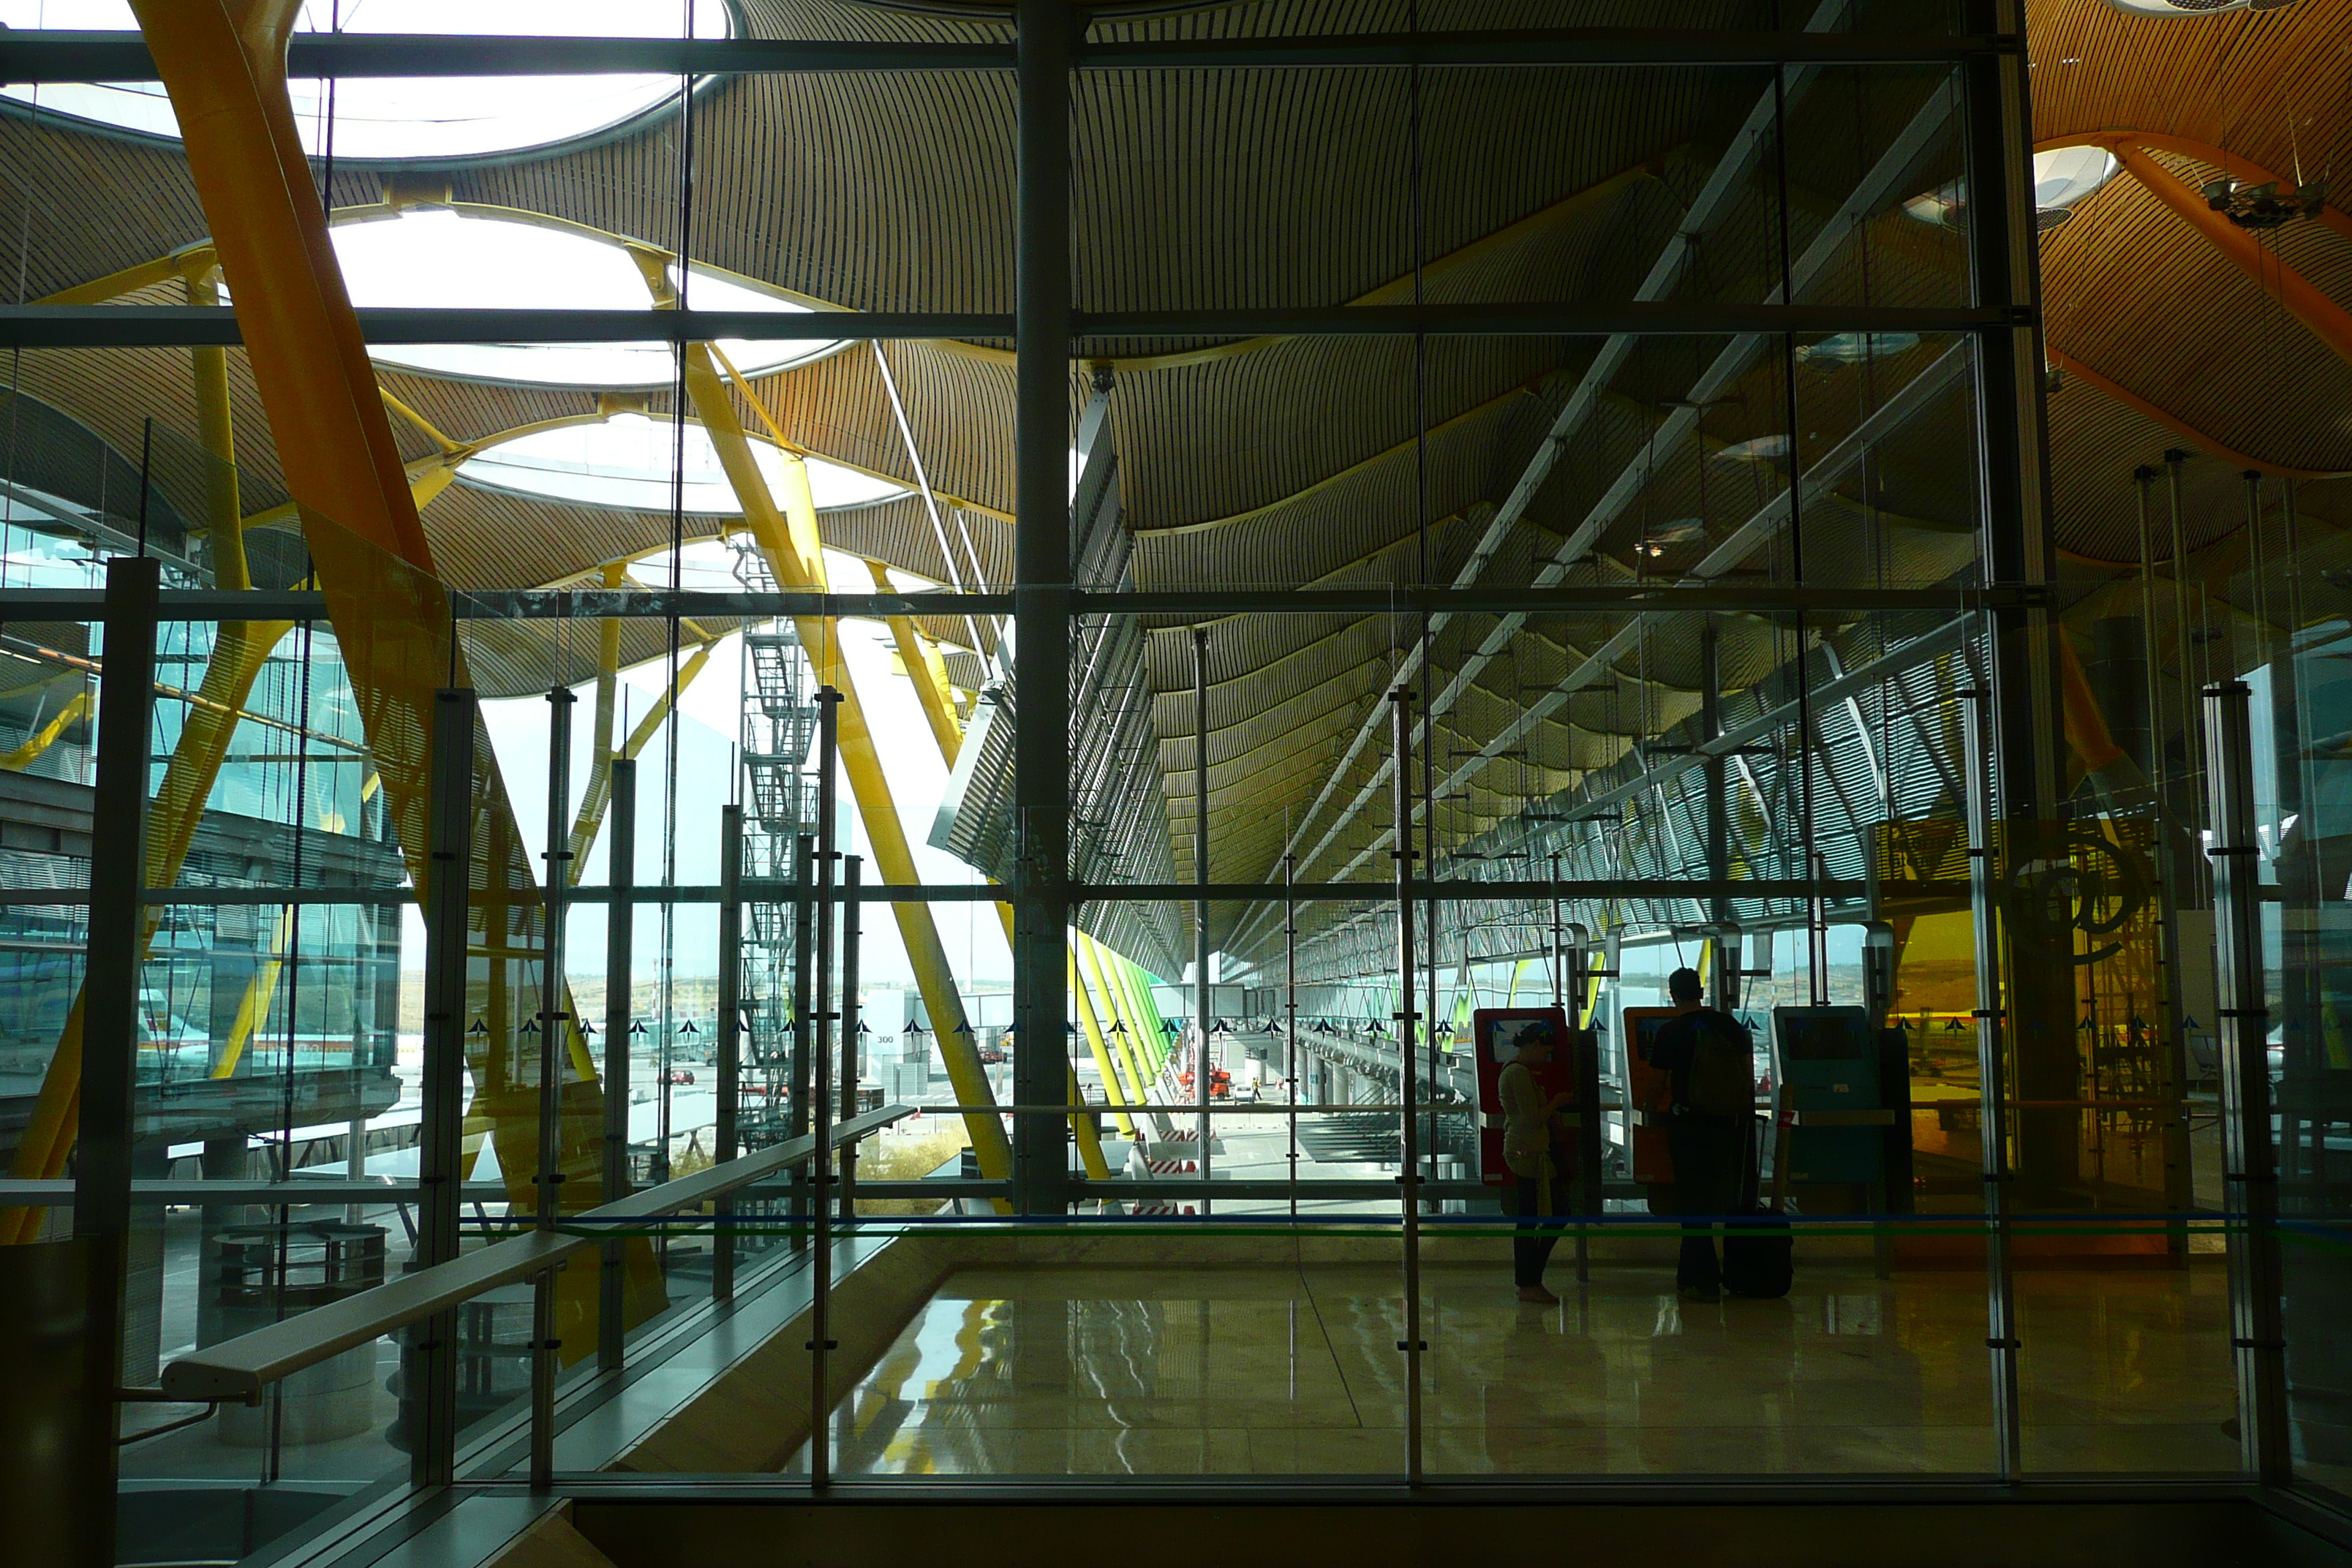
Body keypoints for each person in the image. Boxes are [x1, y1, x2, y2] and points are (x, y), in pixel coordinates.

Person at [1644, 967, 1755, 1299]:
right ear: (1702, 992)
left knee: (1693, 1204)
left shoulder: (1669, 1032)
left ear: (1672, 994)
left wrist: (1650, 1111)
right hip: (1730, 1126)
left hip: (1689, 1128)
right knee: (1731, 1200)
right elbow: (1747, 1076)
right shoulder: (1731, 1027)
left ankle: (1704, 1280)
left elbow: (1655, 1086)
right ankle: (1726, 1273)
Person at [1498, 1018, 1575, 1304]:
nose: (1546, 1057)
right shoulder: (1517, 1073)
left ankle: (1530, 1279)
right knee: (1546, 1216)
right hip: (1527, 1152)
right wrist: (1555, 1102)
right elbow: (1532, 1119)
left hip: (1529, 1151)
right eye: (1544, 1051)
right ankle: (1530, 1280)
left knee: (1533, 1218)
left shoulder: (1517, 1072)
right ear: (1532, 1045)